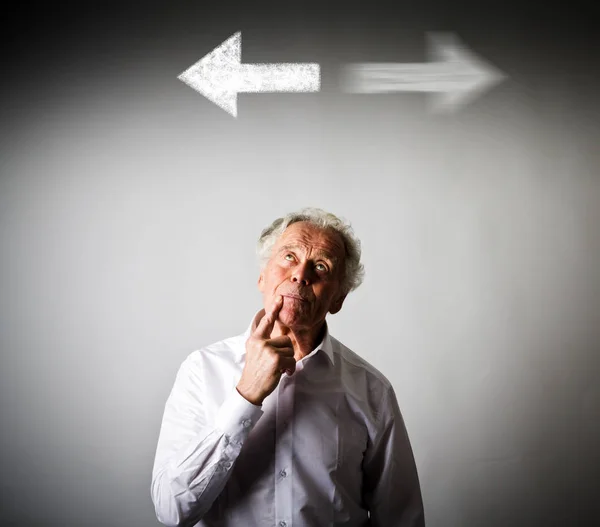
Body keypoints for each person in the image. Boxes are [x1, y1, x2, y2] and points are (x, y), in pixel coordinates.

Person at [150, 207, 425, 526]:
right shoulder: (201, 370)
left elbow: (401, 518)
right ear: (262, 277)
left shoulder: (372, 390)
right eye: (289, 257)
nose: (301, 274)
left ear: (338, 299)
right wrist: (247, 394)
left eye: (321, 266)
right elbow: (172, 511)